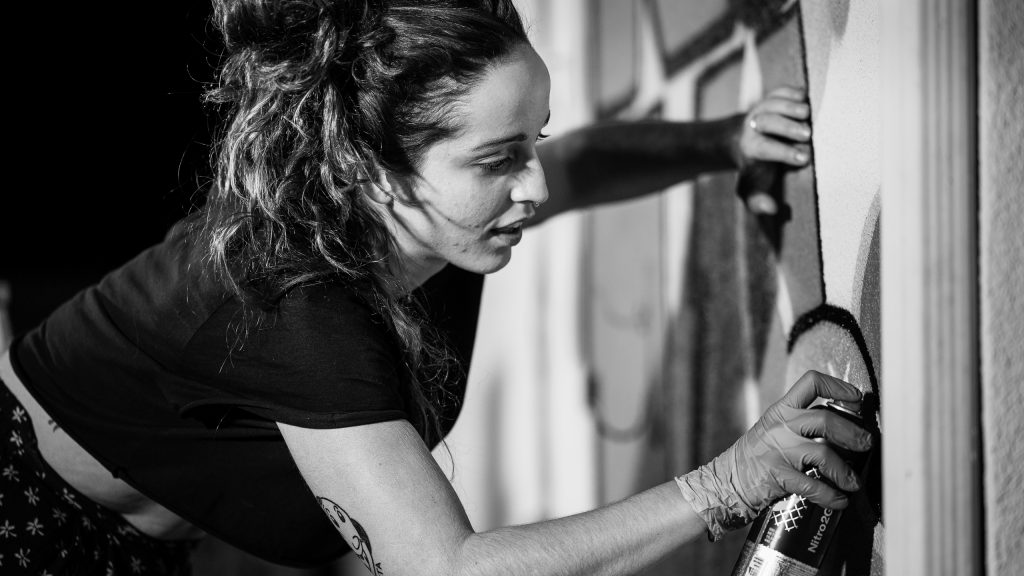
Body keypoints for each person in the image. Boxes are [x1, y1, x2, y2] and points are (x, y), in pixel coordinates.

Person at [0, 1, 871, 574]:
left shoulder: (419, 205)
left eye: (531, 137)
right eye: (498, 160)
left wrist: (727, 139)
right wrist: (722, 484)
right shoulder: (299, 309)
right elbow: (447, 569)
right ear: (368, 171)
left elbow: (583, 163)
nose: (532, 184)